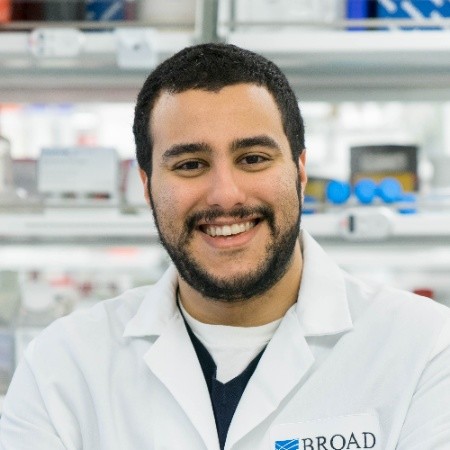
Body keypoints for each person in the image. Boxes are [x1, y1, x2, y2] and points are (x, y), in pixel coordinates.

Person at [1, 43, 450, 450]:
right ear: (147, 186)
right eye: (190, 164)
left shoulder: (424, 348)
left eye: (253, 159)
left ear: (299, 171)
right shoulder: (63, 366)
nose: (225, 195)